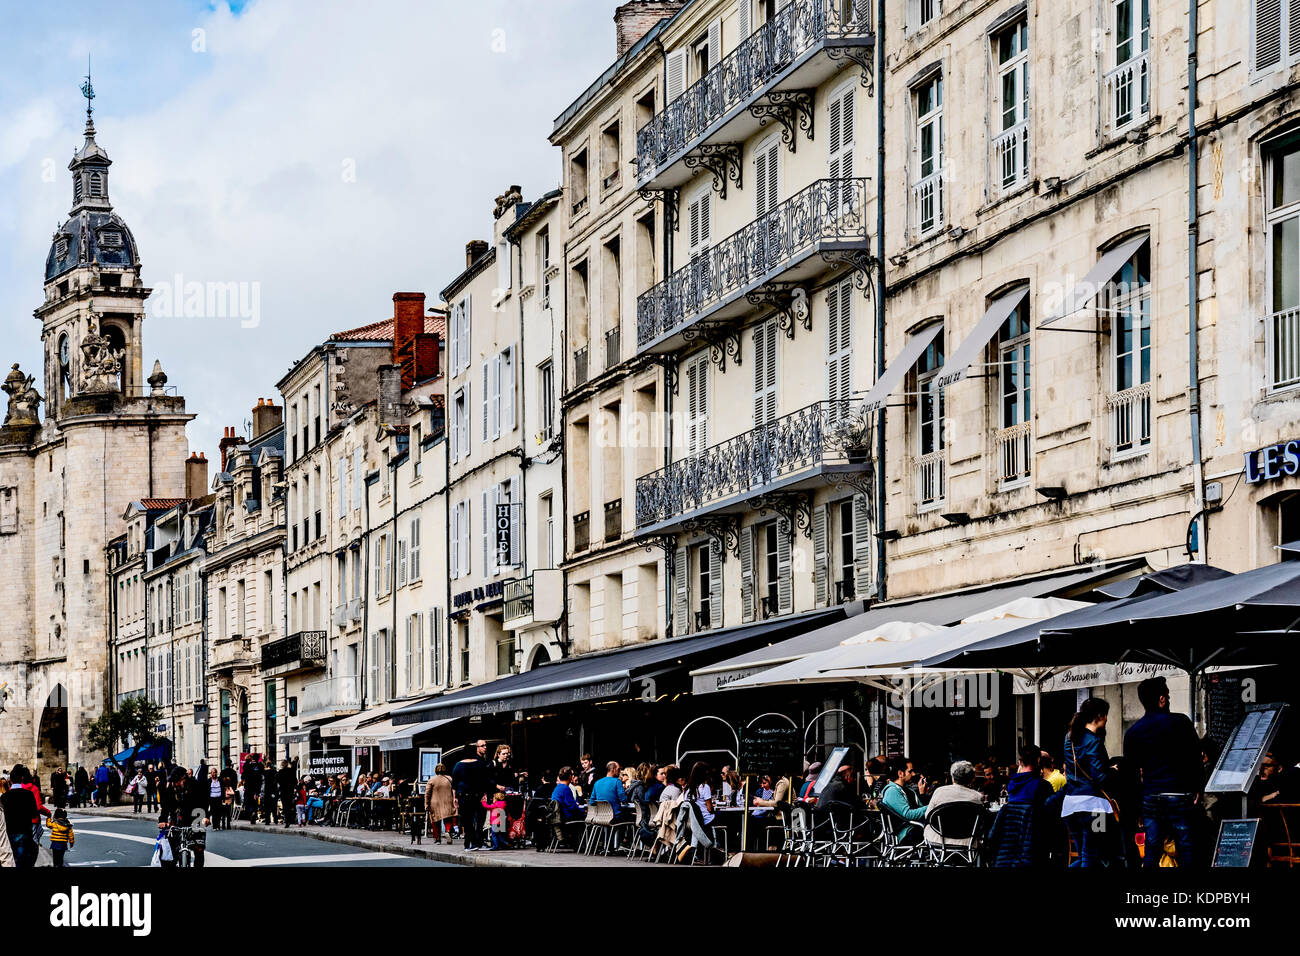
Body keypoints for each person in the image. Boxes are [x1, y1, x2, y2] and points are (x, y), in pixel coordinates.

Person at [1122, 676, 1202, 868]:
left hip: (1151, 795)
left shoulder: (1134, 732)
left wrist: (1136, 806)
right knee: (1186, 848)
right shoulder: (1181, 722)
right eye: (1168, 695)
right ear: (1162, 699)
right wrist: (1198, 786)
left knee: (1152, 849)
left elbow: (1130, 774)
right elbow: (1195, 758)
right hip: (1179, 794)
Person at [1063, 697, 1118, 867]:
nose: (1107, 719)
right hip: (1095, 808)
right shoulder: (1094, 741)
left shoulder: (1069, 738)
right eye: (1106, 715)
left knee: (1083, 855)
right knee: (1093, 854)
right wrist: (1113, 771)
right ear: (1100, 716)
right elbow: (1099, 777)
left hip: (1070, 806)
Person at [158, 768, 209, 868]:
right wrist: (162, 820)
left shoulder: (195, 785)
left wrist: (205, 817)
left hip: (195, 819)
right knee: (170, 852)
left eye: (176, 781)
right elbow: (165, 806)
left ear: (183, 779)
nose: (174, 784)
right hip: (177, 821)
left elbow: (203, 802)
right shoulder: (171, 789)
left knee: (199, 850)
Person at [879, 756, 929, 844]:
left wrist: (922, 794)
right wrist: (933, 805)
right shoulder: (892, 791)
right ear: (900, 773)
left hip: (916, 828)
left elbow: (922, 810)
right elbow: (909, 814)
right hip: (907, 833)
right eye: (910, 771)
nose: (913, 774)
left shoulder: (909, 790)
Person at [452, 740, 492, 850]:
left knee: (467, 820)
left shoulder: (458, 765)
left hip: (464, 796)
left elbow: (454, 783)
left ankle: (469, 843)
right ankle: (478, 842)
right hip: (478, 795)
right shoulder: (480, 764)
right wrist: (485, 794)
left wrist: (454, 798)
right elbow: (485, 781)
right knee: (480, 820)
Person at [0, 774, 36, 867]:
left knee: (11, 855)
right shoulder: (29, 794)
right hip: (25, 831)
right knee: (23, 860)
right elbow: (34, 814)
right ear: (22, 779)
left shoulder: (4, 797)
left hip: (10, 830)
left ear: (10, 780)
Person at [425, 764, 457, 843]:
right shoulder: (449, 779)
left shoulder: (432, 780)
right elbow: (454, 789)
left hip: (435, 803)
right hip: (447, 802)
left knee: (435, 821)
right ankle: (448, 831)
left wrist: (426, 804)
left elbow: (427, 794)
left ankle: (437, 839)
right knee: (447, 818)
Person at [277, 760, 298, 828]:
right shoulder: (291, 771)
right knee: (290, 806)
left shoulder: (280, 772)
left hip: (283, 791)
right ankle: (290, 819)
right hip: (290, 791)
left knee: (285, 806)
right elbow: (295, 781)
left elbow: (278, 781)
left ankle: (287, 821)